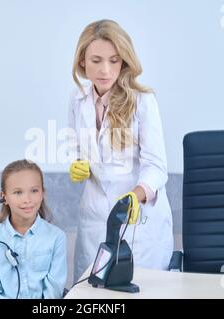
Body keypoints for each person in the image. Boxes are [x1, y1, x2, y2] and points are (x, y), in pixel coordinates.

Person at [68, 19, 174, 282]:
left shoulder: (143, 101)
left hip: (139, 221)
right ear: (82, 61)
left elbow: (157, 166)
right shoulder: (77, 97)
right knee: (91, 293)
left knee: (141, 288)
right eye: (96, 60)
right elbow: (74, 145)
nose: (105, 70)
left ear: (124, 61)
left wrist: (135, 196)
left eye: (114, 60)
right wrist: (75, 162)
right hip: (94, 218)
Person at [0, 159, 67, 299]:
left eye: (34, 190)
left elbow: (53, 292)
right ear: (4, 197)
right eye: (18, 192)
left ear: (42, 193)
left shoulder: (56, 237)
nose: (27, 199)